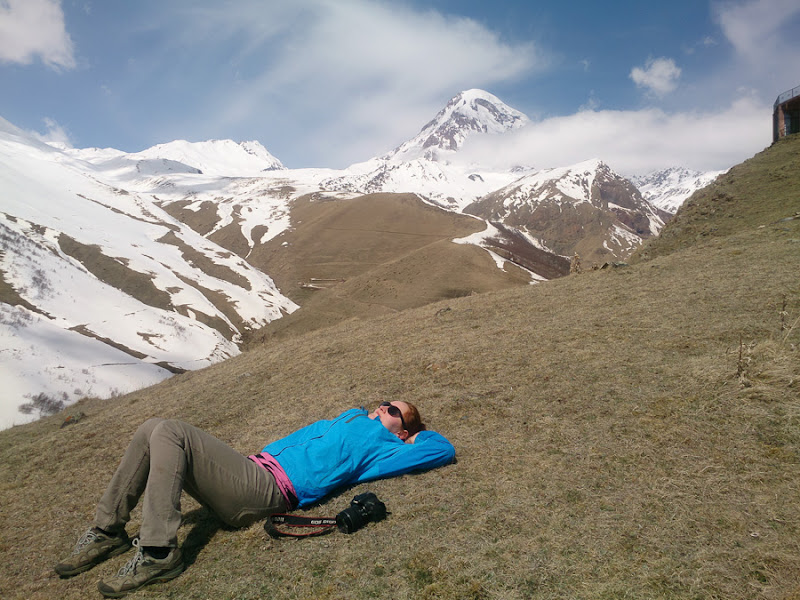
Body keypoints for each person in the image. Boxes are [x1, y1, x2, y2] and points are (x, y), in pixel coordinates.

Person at [54, 401, 455, 597]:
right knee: (152, 427)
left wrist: (414, 434)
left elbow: (442, 449)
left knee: (172, 430)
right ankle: (107, 530)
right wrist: (365, 414)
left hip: (268, 492)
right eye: (384, 401)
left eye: (393, 411)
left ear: (401, 431)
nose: (381, 407)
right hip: (250, 470)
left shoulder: (385, 447)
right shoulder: (352, 418)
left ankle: (160, 553)